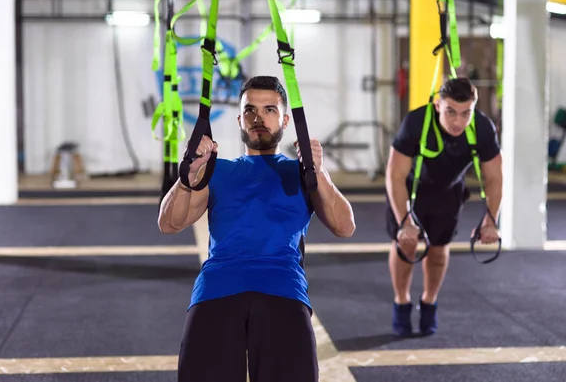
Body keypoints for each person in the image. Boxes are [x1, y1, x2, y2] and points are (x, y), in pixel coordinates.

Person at [158, 75, 356, 382]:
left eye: (269, 110)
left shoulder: (301, 174)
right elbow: (169, 223)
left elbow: (345, 227)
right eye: (250, 110)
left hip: (283, 290)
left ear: (285, 120)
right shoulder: (217, 170)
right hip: (217, 289)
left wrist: (321, 172)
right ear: (239, 119)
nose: (258, 118)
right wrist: (189, 173)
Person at [385, 77, 502, 337]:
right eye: (451, 112)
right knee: (406, 244)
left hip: (448, 192)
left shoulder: (482, 128)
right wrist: (405, 221)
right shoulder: (416, 122)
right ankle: (401, 301)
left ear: (474, 108)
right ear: (438, 105)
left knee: (438, 251)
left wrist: (491, 220)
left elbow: (494, 177)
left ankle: (429, 301)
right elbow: (394, 175)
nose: (458, 121)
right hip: (410, 191)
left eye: (465, 113)